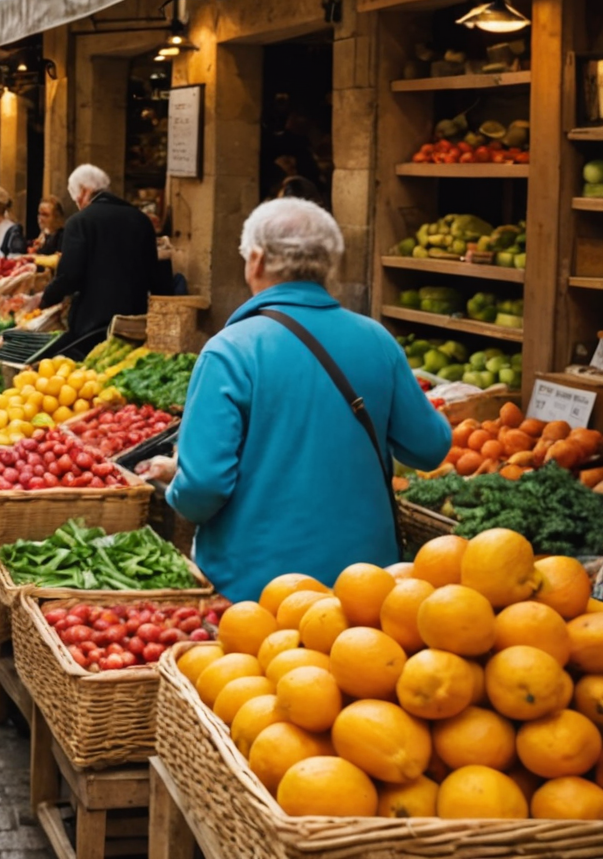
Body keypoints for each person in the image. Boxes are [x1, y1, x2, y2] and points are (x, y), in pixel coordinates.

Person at [154, 200, 449, 602]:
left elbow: (203, 486)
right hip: (366, 587)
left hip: (258, 591)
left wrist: (177, 480)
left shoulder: (230, 350)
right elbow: (430, 448)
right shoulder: (377, 339)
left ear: (255, 260)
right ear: (329, 266)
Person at [35, 165, 168, 342]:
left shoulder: (79, 222)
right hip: (134, 321)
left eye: (76, 199)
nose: (78, 204)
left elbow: (69, 276)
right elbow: (154, 275)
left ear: (84, 191)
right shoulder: (141, 219)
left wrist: (44, 300)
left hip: (92, 326)